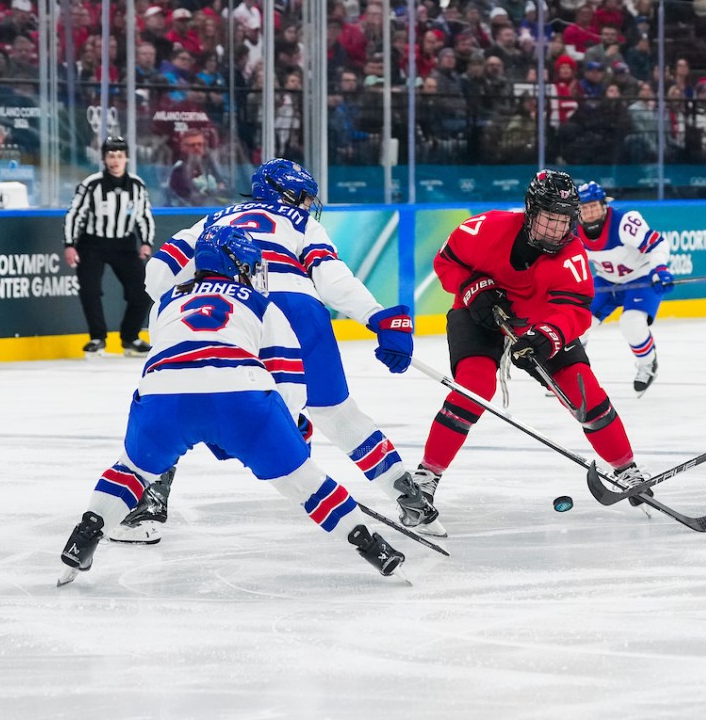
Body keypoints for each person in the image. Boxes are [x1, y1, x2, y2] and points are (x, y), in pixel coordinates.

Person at [57, 225, 405, 586]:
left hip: (163, 397)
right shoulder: (261, 304)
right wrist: (287, 430)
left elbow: (164, 359)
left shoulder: (165, 301)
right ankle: (370, 545)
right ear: (237, 264)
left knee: (130, 471)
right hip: (240, 397)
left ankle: (86, 533)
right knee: (305, 481)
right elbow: (287, 375)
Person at [120, 159, 430, 544]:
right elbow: (332, 278)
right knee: (337, 413)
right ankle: (410, 498)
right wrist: (376, 316)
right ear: (283, 194)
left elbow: (157, 277)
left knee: (180, 395)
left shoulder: (211, 221)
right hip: (300, 310)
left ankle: (146, 508)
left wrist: (195, 294)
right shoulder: (301, 223)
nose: (307, 205)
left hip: (230, 313)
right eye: (303, 197)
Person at [411, 170, 649, 520]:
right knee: (474, 387)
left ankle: (627, 470)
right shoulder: (487, 228)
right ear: (531, 211)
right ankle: (426, 477)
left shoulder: (572, 254)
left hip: (538, 324)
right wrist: (472, 288)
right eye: (549, 218)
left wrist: (547, 337)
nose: (556, 230)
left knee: (583, 390)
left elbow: (575, 311)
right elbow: (446, 262)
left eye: (564, 221)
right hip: (479, 316)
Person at [575, 181, 674, 394]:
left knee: (631, 322)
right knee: (577, 322)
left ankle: (647, 364)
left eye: (594, 206)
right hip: (606, 280)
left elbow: (657, 244)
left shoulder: (624, 222)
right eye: (584, 207)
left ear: (604, 205)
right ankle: (572, 371)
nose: (590, 212)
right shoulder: (572, 230)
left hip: (640, 278)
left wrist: (659, 269)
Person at [63, 136, 155, 357]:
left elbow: (144, 215)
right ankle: (97, 338)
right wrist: (70, 244)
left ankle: (130, 337)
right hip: (92, 243)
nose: (115, 160)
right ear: (103, 158)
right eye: (111, 156)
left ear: (127, 158)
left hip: (124, 243)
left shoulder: (136, 185)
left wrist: (146, 242)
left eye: (119, 156)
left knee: (142, 291)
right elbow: (75, 214)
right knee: (90, 290)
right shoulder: (91, 184)